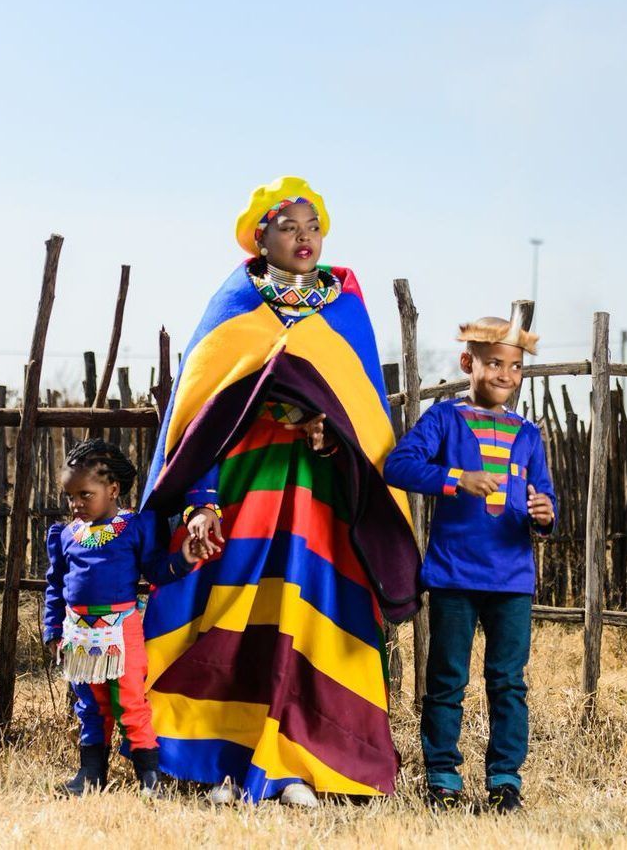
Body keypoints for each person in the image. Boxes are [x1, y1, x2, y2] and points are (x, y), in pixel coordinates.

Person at [140, 175, 421, 806]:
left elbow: (362, 412)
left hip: (319, 499)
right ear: (260, 236)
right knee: (234, 607)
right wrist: (202, 497)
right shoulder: (235, 305)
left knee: (309, 612)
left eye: (312, 226)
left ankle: (294, 760)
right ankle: (222, 757)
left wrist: (331, 438)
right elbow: (200, 413)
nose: (304, 238)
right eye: (289, 226)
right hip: (244, 489)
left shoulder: (344, 309)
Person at [384, 306, 556, 814]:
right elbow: (399, 465)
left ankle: (505, 778)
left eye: (515, 366)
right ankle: (442, 776)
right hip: (455, 576)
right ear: (468, 363)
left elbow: (542, 496)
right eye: (495, 363)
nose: (506, 374)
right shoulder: (445, 419)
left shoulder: (528, 433)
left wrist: (545, 514)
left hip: (513, 579)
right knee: (447, 678)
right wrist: (456, 477)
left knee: (509, 681)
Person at [43, 439, 199, 797]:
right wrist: (53, 628)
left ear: (112, 489)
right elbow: (55, 585)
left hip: (121, 631)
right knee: (89, 705)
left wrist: (184, 559)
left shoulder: (135, 528)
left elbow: (156, 570)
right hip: (77, 634)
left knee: (129, 699)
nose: (75, 504)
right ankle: (91, 773)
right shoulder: (67, 535)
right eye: (70, 496)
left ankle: (149, 777)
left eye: (84, 494)